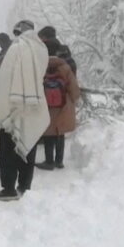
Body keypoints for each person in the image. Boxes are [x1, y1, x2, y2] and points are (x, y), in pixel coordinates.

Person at [0, 20, 51, 201]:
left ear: (19, 31)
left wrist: (0, 102)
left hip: (13, 106)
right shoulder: (41, 49)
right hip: (34, 103)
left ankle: (8, 188)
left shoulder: (17, 48)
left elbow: (5, 78)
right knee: (28, 144)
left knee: (8, 148)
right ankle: (25, 187)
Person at [37, 39, 81, 170]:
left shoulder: (40, 67)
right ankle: (59, 161)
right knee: (59, 133)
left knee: (47, 133)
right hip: (63, 105)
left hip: (45, 106)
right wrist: (73, 99)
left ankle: (49, 161)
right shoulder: (65, 67)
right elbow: (74, 90)